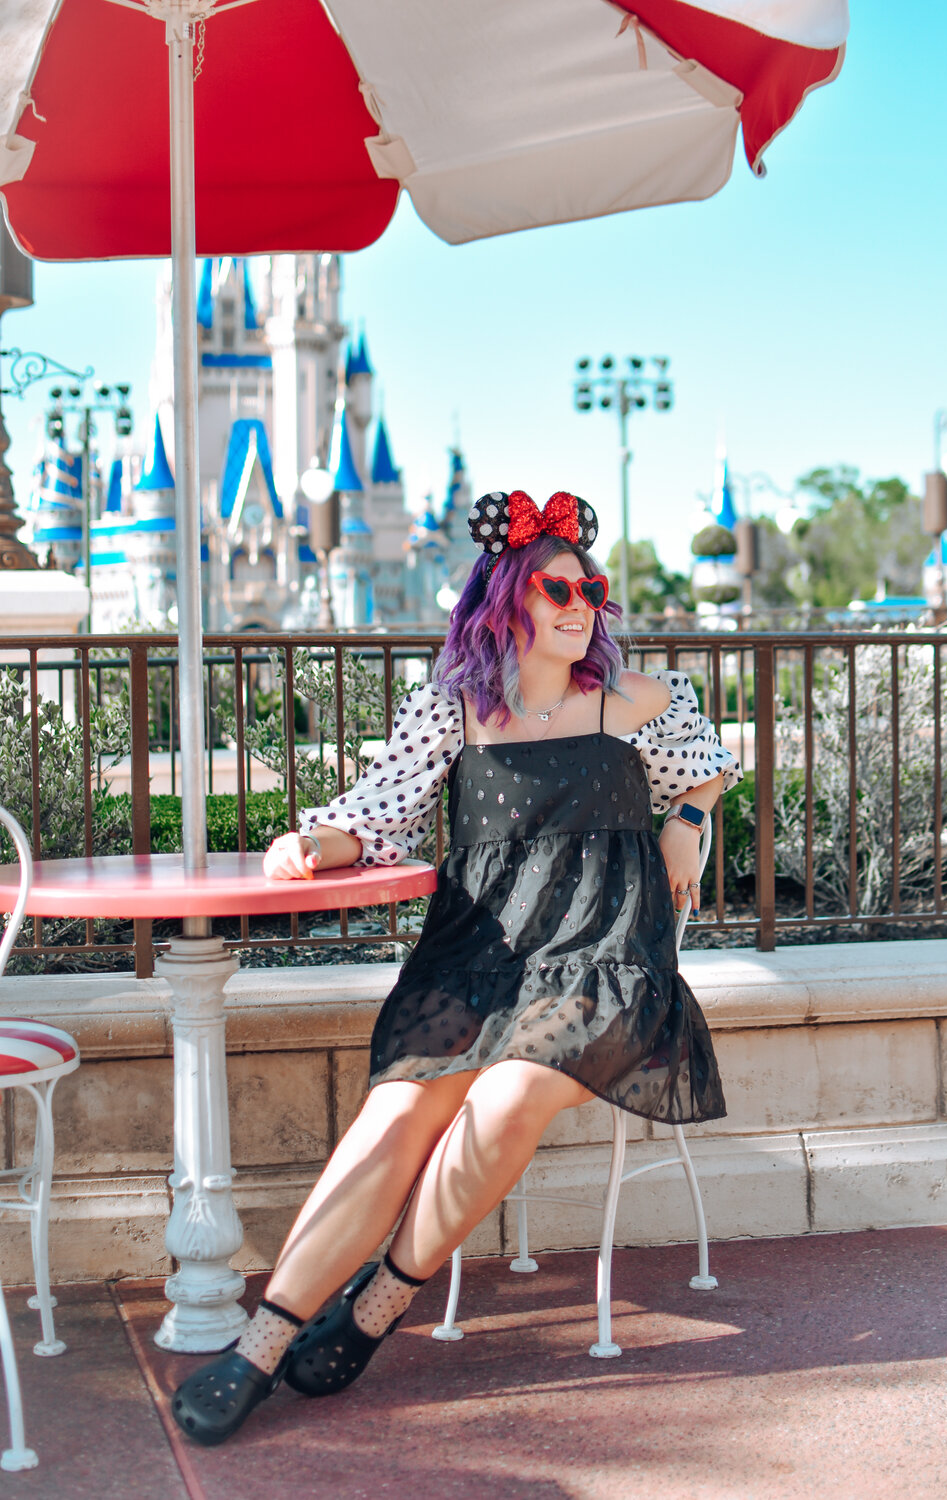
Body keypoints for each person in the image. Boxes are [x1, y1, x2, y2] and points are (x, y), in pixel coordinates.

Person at [171, 489, 741, 1447]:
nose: (583, 603)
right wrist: (313, 839)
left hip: (603, 957)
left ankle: (379, 1303)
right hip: (480, 955)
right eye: (558, 586)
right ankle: (260, 1345)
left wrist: (687, 819)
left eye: (593, 589)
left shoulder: (643, 698)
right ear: (505, 597)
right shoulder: (455, 710)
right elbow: (375, 810)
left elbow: (706, 764)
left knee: (509, 1098)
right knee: (400, 1113)